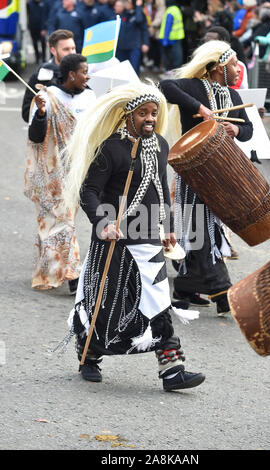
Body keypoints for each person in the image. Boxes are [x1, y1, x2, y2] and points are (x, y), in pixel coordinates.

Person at [62, 81, 206, 391]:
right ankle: (89, 355)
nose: (150, 119)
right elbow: (89, 191)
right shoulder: (111, 149)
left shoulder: (161, 147)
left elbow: (161, 192)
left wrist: (168, 228)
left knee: (158, 299)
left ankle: (172, 369)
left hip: (148, 237)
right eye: (143, 113)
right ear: (129, 115)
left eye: (154, 113)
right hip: (113, 239)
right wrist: (104, 222)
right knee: (106, 303)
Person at [160, 40, 253, 316]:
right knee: (202, 226)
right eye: (234, 64)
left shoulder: (234, 97)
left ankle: (185, 290)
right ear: (218, 67)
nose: (239, 69)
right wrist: (199, 108)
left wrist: (235, 132)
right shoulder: (191, 87)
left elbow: (247, 129)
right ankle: (222, 291)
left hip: (223, 173)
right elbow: (165, 87)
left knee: (204, 228)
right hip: (194, 171)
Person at [24, 54, 96, 294]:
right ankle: (74, 275)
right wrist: (42, 113)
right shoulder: (47, 97)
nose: (88, 76)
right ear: (71, 74)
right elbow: (35, 137)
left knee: (62, 223)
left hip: (79, 169)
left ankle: (49, 269)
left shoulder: (91, 97)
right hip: (52, 171)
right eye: (84, 72)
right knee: (63, 221)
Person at [22, 29, 76, 123]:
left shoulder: (83, 76)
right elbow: (26, 114)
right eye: (66, 49)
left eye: (73, 48)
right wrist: (43, 110)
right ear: (53, 50)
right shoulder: (39, 78)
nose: (71, 53)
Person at [115, 0, 150, 75]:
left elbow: (140, 22)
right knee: (121, 70)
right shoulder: (123, 13)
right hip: (121, 47)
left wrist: (145, 43)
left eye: (129, 2)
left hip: (134, 47)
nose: (127, 3)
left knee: (133, 70)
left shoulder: (139, 13)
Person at [159, 0, 185, 73]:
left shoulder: (170, 11)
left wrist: (165, 39)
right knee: (177, 55)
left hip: (171, 38)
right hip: (178, 36)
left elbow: (168, 26)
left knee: (171, 56)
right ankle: (176, 71)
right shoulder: (177, 9)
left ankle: (172, 71)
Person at [27, 0, 50, 64]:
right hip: (33, 27)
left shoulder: (44, 3)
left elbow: (45, 16)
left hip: (41, 27)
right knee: (34, 43)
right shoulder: (30, 4)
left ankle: (44, 58)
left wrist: (44, 28)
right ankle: (37, 58)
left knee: (43, 43)